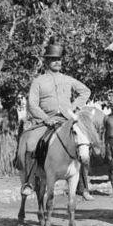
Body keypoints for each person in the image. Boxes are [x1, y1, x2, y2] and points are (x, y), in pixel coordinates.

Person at [18, 41, 91, 196]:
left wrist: (72, 108)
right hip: (45, 122)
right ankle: (29, 182)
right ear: (47, 62)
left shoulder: (68, 79)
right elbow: (32, 104)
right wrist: (45, 118)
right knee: (31, 143)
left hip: (65, 120)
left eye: (59, 59)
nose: (57, 62)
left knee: (81, 142)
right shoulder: (38, 81)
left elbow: (85, 92)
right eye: (53, 59)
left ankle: (82, 186)